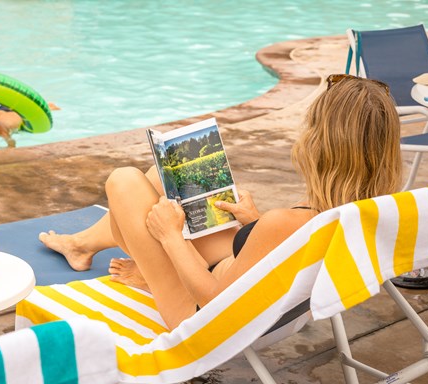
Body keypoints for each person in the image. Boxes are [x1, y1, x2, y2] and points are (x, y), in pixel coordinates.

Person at [39, 74, 402, 329]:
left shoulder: (286, 222)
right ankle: (84, 245)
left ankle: (144, 271)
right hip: (266, 305)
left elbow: (216, 305)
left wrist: (170, 238)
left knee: (125, 182)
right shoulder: (368, 212)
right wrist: (254, 225)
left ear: (318, 146)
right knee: (158, 177)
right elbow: (276, 255)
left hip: (201, 314)